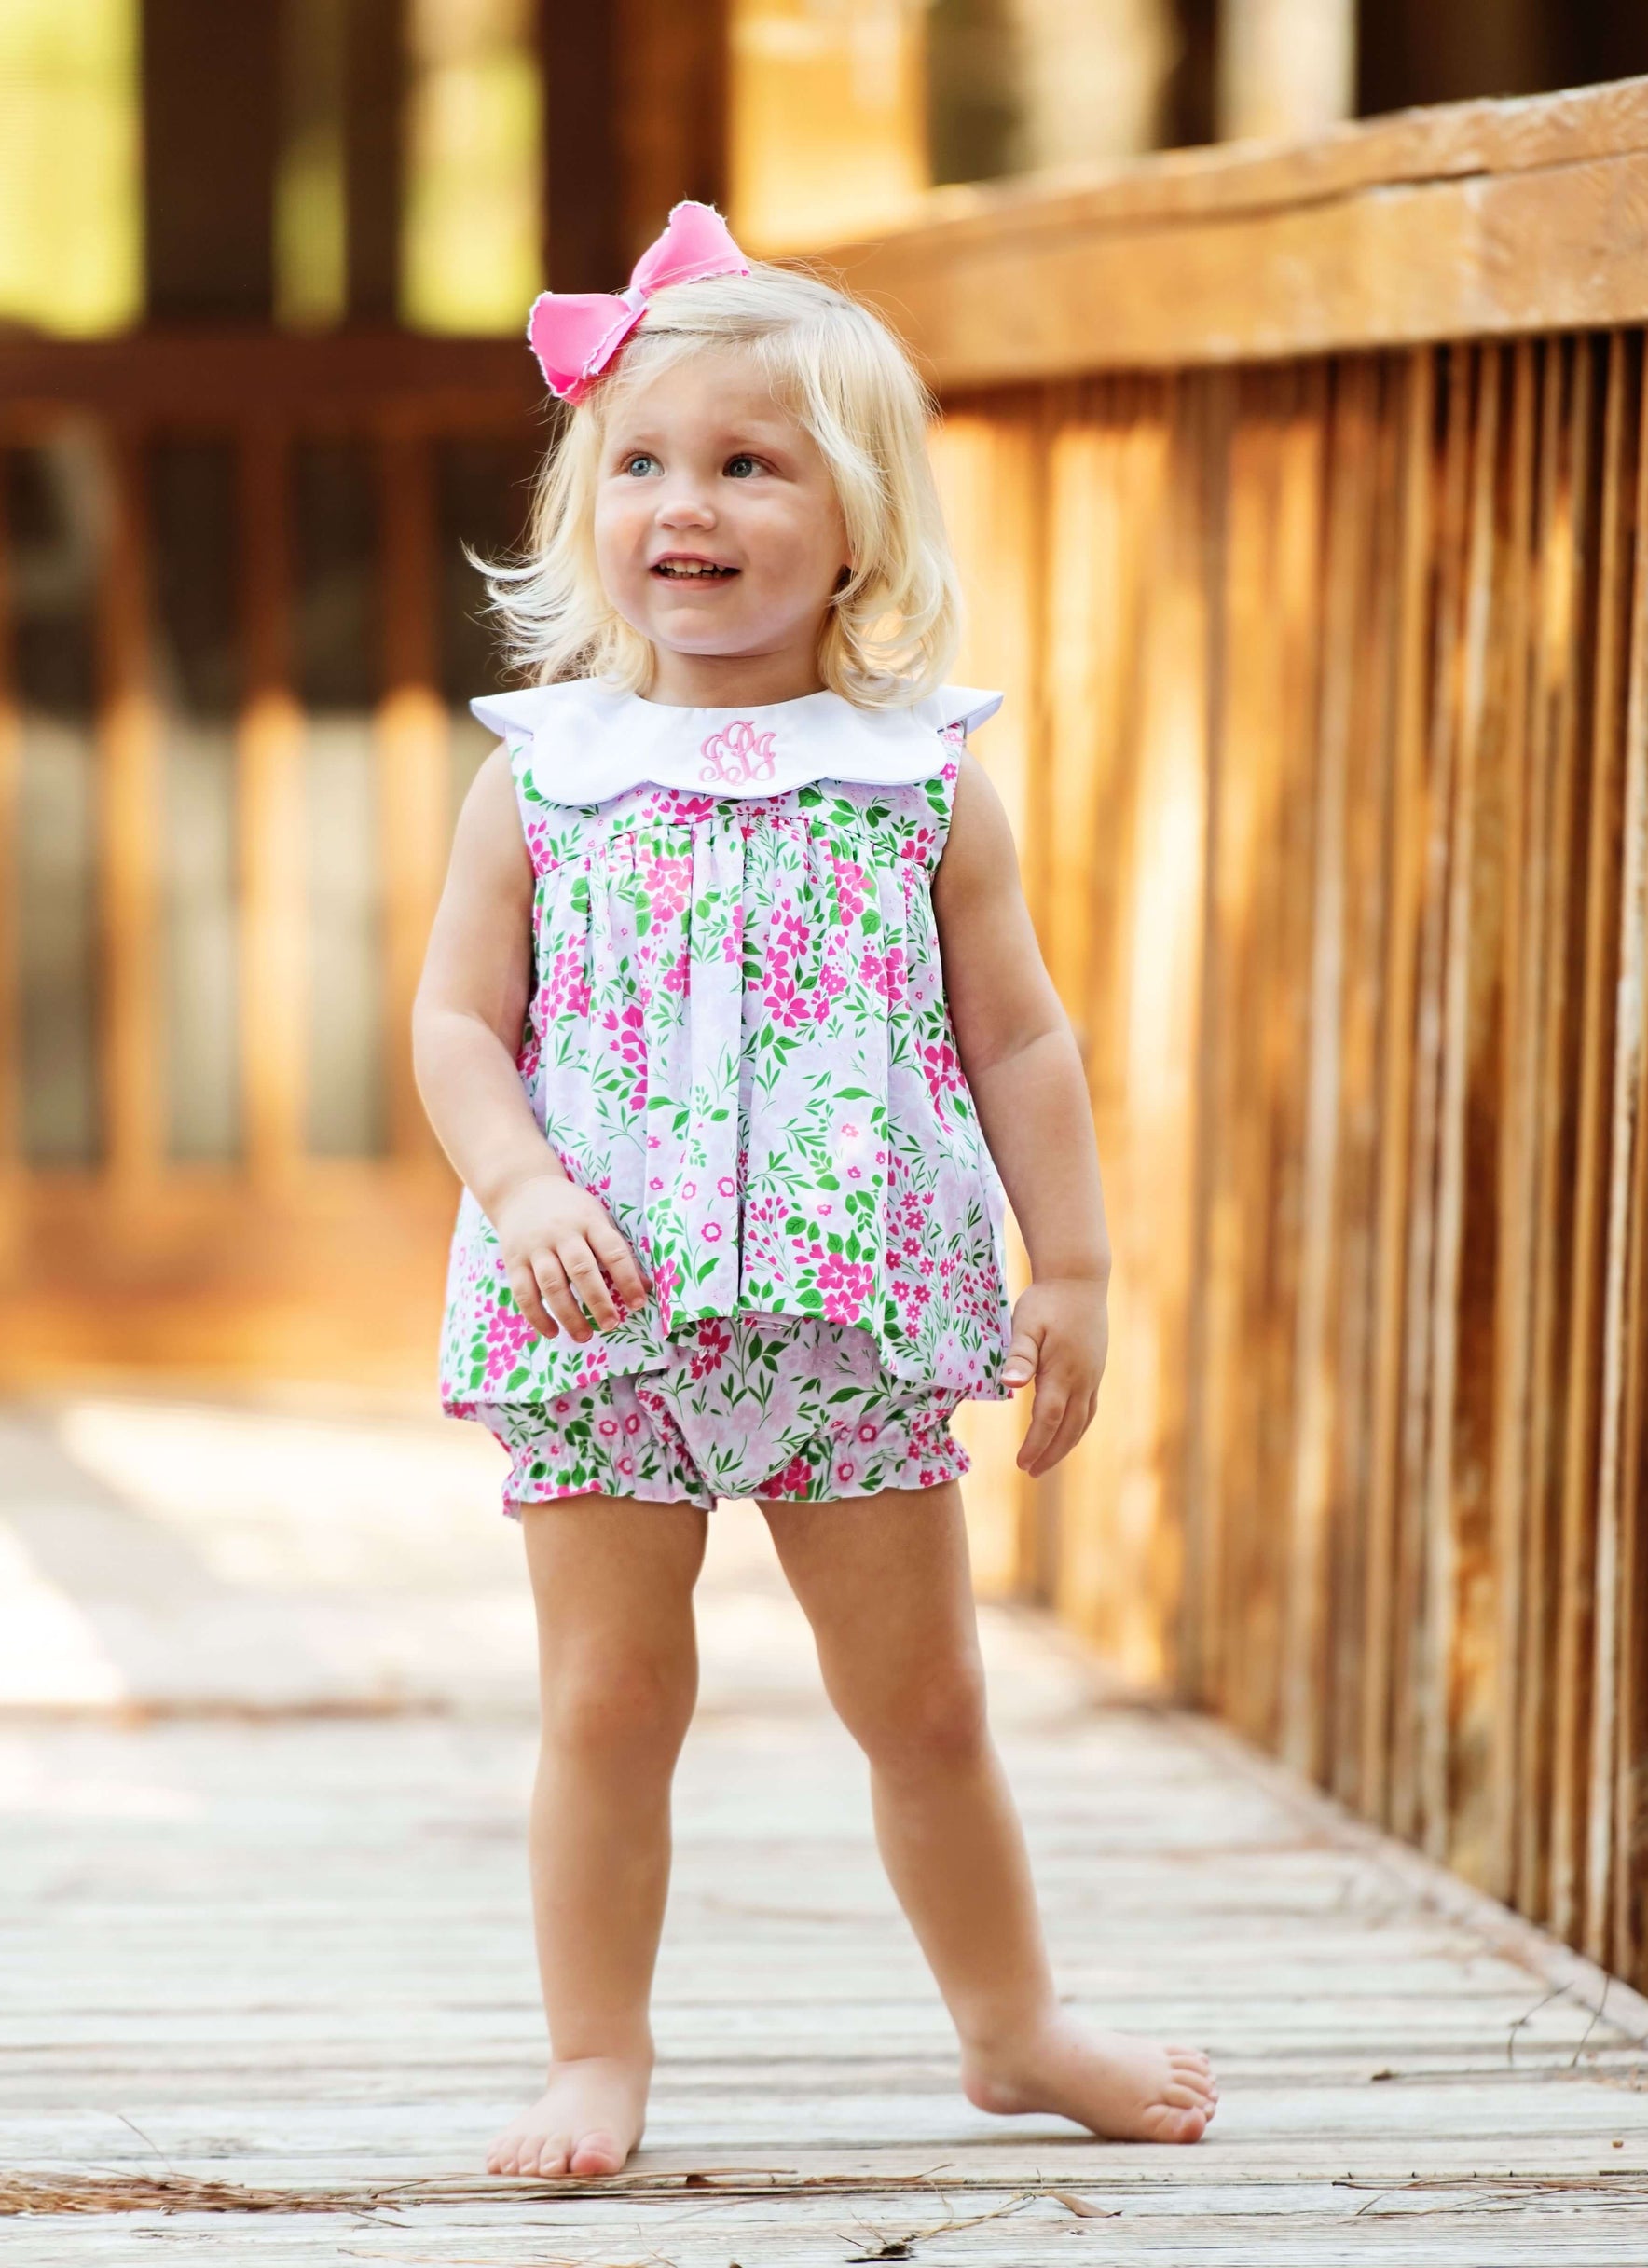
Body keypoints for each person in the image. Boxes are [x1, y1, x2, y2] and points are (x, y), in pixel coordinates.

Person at [411, 201, 1217, 2181]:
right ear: (589, 499)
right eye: (646, 464)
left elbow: (1021, 1040)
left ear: (853, 520)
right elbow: (452, 1020)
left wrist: (1081, 1267)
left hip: (847, 1318)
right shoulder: (544, 776)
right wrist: (515, 1185)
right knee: (608, 1697)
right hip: (600, 1319)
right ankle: (596, 2048)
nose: (688, 505)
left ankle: (1013, 2021)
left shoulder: (918, 776)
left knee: (925, 1698)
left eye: (750, 465)